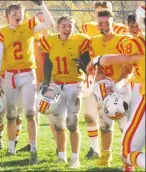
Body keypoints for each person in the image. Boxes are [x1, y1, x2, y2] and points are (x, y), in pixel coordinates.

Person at [0, 1, 54, 163]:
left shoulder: (29, 25)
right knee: (11, 114)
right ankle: (11, 148)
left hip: (28, 74)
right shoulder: (3, 32)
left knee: (30, 112)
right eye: (14, 14)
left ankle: (33, 146)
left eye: (19, 13)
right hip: (10, 76)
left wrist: (41, 5)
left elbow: (50, 23)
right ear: (7, 18)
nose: (18, 16)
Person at [87, 5, 145, 171]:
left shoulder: (132, 41)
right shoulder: (97, 41)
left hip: (135, 89)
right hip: (123, 88)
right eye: (100, 23)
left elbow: (122, 63)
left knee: (128, 146)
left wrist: (97, 60)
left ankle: (127, 164)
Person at [81, 1, 129, 160]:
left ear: (112, 23)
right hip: (104, 86)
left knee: (124, 125)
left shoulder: (123, 39)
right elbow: (96, 66)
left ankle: (127, 160)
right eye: (100, 23)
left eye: (106, 23)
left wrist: (117, 85)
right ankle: (105, 159)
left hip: (122, 86)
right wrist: (99, 79)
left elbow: (129, 69)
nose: (103, 25)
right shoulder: (94, 41)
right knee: (105, 124)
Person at [40, 15, 90, 168]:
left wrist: (82, 64)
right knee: (58, 123)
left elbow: (87, 65)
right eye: (64, 25)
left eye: (70, 25)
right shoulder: (50, 41)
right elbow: (47, 63)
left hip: (74, 84)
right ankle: (62, 156)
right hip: (56, 85)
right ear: (57, 27)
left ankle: (75, 158)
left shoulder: (80, 40)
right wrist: (46, 81)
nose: (67, 29)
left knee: (72, 122)